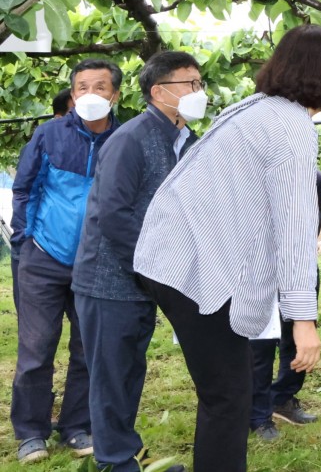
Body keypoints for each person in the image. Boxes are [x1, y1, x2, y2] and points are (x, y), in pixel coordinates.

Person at [133, 24, 321, 472]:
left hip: (171, 259)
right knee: (229, 397)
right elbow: (294, 230)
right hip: (198, 272)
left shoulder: (253, 109)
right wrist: (303, 321)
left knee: (222, 393)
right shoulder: (292, 131)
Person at [72, 51, 206, 472]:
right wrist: (153, 264)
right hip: (110, 278)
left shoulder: (185, 139)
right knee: (112, 373)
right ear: (159, 91)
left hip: (146, 276)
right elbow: (113, 214)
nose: (198, 93)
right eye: (190, 84)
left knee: (129, 368)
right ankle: (114, 459)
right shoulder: (131, 139)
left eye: (200, 85)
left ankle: (123, 446)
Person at [10, 59, 123, 464]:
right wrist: (24, 243)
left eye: (100, 86)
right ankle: (30, 432)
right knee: (36, 349)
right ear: (73, 95)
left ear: (116, 94)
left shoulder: (123, 140)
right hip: (43, 258)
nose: (90, 94)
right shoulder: (49, 135)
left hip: (96, 263)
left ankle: (76, 425)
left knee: (88, 349)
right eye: (81, 88)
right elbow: (24, 189)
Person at [249, 170, 321, 441]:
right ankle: (258, 415)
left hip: (299, 265)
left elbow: (310, 229)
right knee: (260, 343)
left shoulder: (315, 179)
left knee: (298, 338)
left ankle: (282, 396)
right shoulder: (253, 176)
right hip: (259, 265)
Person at [10, 88, 77, 315]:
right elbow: (25, 191)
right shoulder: (40, 143)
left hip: (76, 253)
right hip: (37, 245)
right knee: (34, 329)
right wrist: (25, 238)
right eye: (74, 111)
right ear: (60, 117)